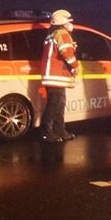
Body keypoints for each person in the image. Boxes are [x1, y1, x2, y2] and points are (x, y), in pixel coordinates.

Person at [40, 9, 78, 143]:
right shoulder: (62, 33)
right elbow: (66, 53)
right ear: (63, 22)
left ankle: (60, 130)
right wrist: (76, 66)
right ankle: (46, 132)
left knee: (59, 104)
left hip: (53, 76)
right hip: (57, 76)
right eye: (69, 22)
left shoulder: (52, 34)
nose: (71, 25)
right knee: (54, 104)